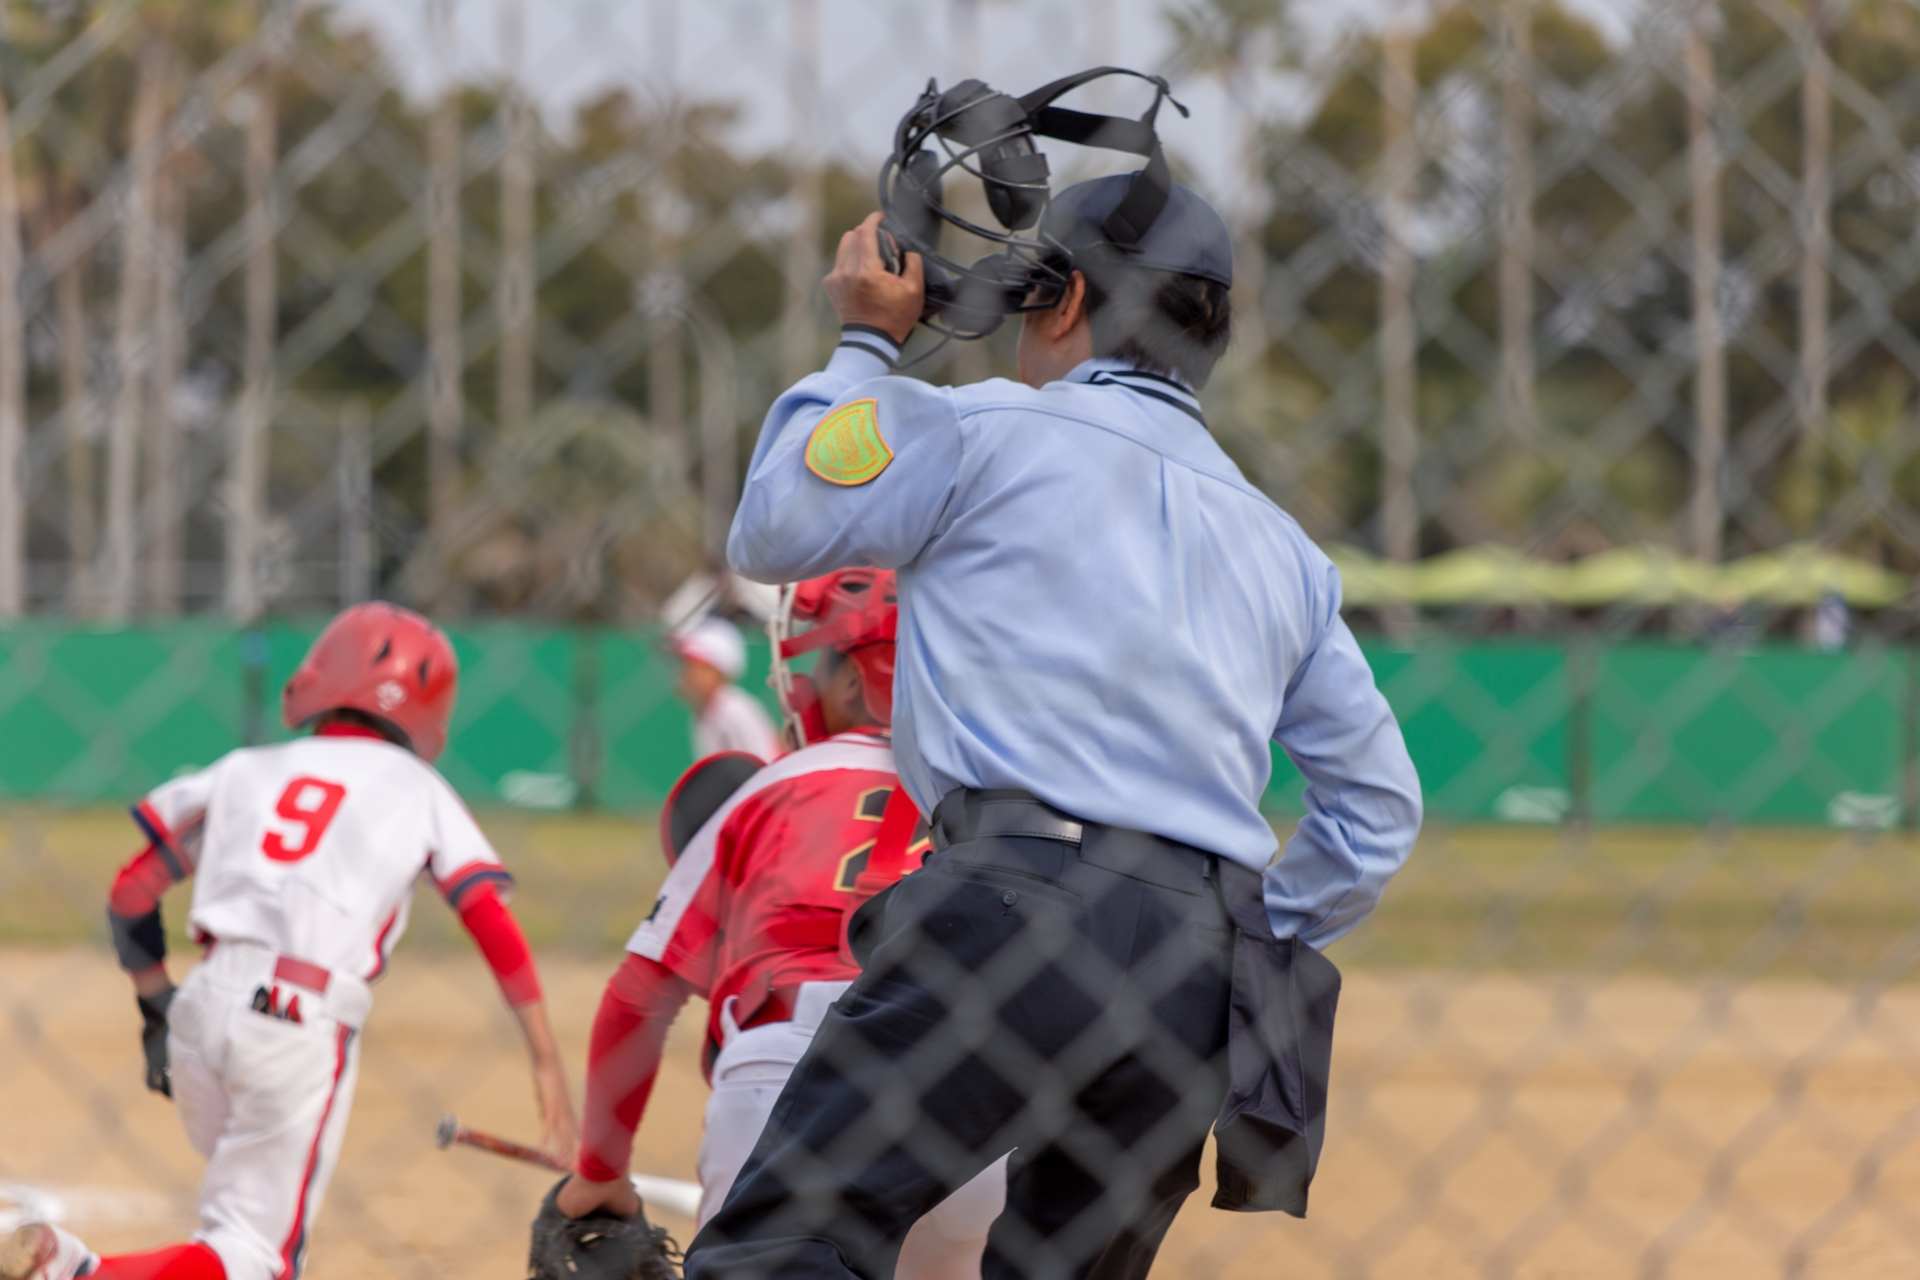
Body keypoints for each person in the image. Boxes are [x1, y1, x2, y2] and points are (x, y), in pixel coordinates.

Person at [684, 179, 1424, 1276]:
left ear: (1065, 295)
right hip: (1197, 964)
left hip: (1013, 900)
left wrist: (862, 343)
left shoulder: (982, 425)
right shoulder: (1284, 548)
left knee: (783, 1247)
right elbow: (1374, 812)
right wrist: (1245, 931)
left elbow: (777, 523)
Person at [2, 603, 578, 1280]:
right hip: (297, 1021)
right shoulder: (417, 788)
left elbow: (131, 891)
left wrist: (158, 1008)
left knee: (234, 1233)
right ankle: (70, 1274)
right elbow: (486, 914)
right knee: (253, 1253)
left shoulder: (246, 768)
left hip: (202, 1011)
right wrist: (546, 1063)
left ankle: (73, 1263)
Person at [548, 569, 1004, 1280]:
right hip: (972, 1079)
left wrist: (601, 1169)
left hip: (786, 1069)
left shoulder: (774, 785)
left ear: (855, 683)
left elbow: (639, 996)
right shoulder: (1004, 797)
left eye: (819, 665)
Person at [670, 615, 781, 761]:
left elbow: (765, 765)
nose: (684, 674)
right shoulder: (702, 715)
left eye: (693, 666)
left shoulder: (734, 709)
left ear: (716, 670)